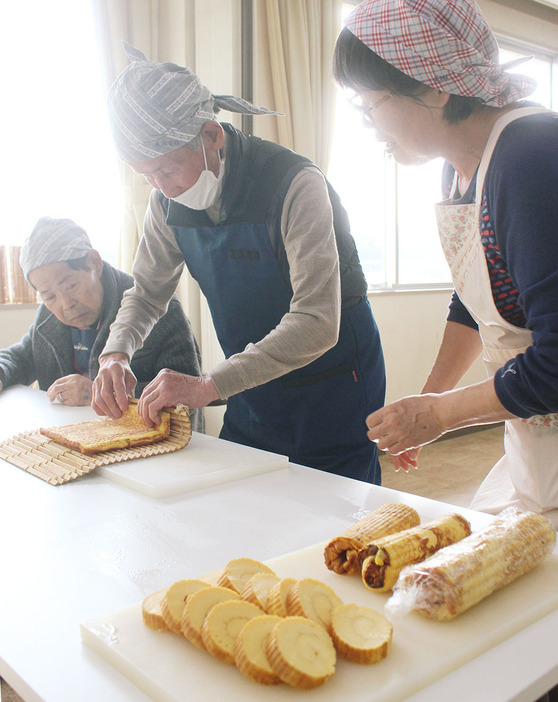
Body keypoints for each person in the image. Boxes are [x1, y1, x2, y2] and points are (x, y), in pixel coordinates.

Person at [92, 43, 386, 483]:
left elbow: (318, 320)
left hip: (335, 381)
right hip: (248, 381)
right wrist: (114, 354)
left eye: (167, 171)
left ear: (211, 135)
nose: (161, 188)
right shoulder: (165, 201)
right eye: (146, 175)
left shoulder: (294, 184)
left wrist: (207, 385)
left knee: (335, 521)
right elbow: (147, 292)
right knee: (241, 505)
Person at [333, 0, 558, 526]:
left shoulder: (531, 156)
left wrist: (438, 415)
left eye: (370, 104)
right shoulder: (460, 170)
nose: (368, 123)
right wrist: (428, 399)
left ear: (433, 83)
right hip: (535, 432)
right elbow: (480, 296)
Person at [0, 217, 204, 432]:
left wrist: (95, 394)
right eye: (50, 296)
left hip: (154, 445)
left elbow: (187, 394)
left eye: (71, 285)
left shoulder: (153, 306)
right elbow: (19, 358)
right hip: (74, 441)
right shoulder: (48, 316)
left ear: (94, 263)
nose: (66, 305)